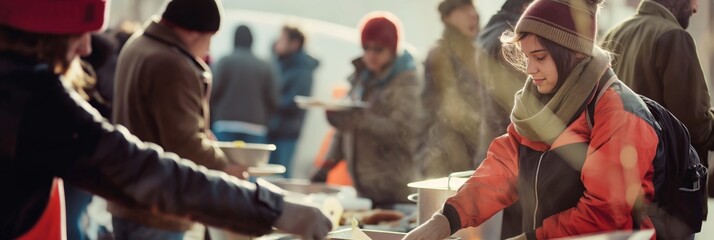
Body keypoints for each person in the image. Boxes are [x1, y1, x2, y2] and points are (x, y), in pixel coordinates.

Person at [0, 0, 331, 240]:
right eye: (80, 32)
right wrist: (272, 208)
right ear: (43, 33)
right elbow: (152, 172)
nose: (87, 48)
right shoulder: (32, 99)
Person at [404, 0, 661, 239]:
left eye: (539, 57)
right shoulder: (539, 104)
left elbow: (604, 214)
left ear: (574, 53)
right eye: (526, 57)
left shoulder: (619, 112)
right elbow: (502, 171)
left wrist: (530, 238)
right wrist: (445, 221)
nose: (529, 69)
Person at [111, 0, 287, 238]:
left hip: (127, 195)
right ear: (194, 33)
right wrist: (225, 168)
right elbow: (185, 143)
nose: (208, 49)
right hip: (158, 207)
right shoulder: (171, 64)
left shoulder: (138, 45)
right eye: (210, 38)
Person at [601, 0, 714, 198]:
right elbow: (695, 127)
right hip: (667, 193)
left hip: (620, 184)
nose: (695, 9)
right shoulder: (675, 37)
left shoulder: (614, 34)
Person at [312, 12, 423, 207]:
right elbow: (345, 128)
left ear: (392, 48)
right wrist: (327, 166)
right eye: (366, 47)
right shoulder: (361, 79)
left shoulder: (408, 83)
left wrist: (359, 118)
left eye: (378, 49)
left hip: (395, 191)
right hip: (364, 189)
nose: (370, 55)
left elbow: (402, 131)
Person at [419, 0, 499, 178]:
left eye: (473, 8)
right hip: (447, 157)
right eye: (463, 9)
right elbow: (430, 114)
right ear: (447, 17)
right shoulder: (439, 56)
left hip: (481, 153)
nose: (473, 14)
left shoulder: (483, 51)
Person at [476, 1, 533, 238]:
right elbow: (522, 108)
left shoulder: (489, 31)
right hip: (511, 157)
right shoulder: (510, 39)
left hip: (492, 147)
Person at [211, 25, 278, 143]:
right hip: (256, 126)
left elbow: (212, 91)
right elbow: (273, 98)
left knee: (223, 160)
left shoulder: (224, 62)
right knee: (252, 161)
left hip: (225, 123)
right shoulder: (265, 65)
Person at [268, 25, 319, 178]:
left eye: (282, 39)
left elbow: (294, 102)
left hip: (287, 132)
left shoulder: (302, 70)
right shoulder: (281, 64)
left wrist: (269, 102)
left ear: (294, 43)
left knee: (281, 176)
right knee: (268, 176)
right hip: (274, 129)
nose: (278, 43)